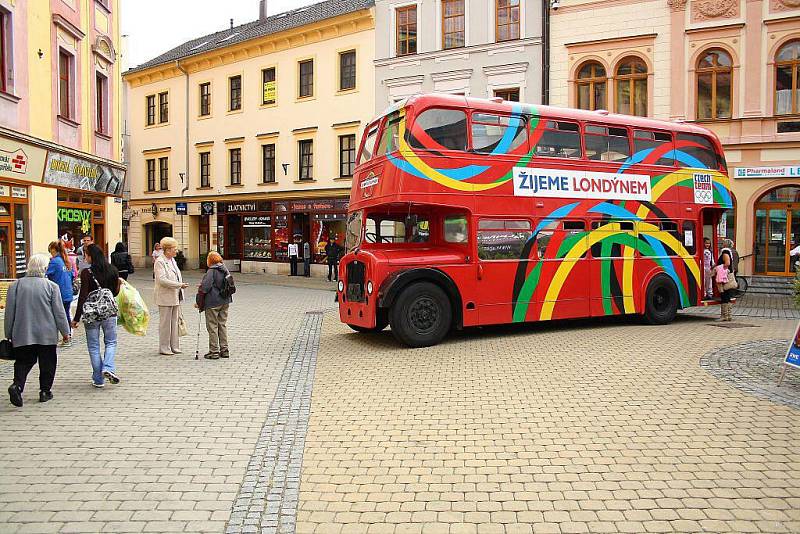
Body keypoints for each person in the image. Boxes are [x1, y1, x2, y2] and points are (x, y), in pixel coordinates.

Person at [6, 254, 71, 407]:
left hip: (23, 333)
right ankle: (44, 391)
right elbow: (59, 312)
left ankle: (17, 386)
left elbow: (9, 312)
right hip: (46, 334)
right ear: (44, 268)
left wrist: (8, 333)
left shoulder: (15, 286)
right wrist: (65, 332)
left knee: (23, 362)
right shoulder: (51, 286)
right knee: (47, 362)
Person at [72, 244, 122, 388]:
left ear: (91, 256)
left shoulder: (87, 273)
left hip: (92, 314)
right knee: (111, 342)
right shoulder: (113, 269)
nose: (85, 257)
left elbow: (82, 296)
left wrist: (76, 318)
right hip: (109, 312)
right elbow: (115, 293)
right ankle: (108, 367)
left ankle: (99, 379)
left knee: (94, 346)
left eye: (86, 255)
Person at [154, 237, 188, 355]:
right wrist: (179, 285)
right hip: (165, 296)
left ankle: (174, 346)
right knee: (165, 323)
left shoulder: (172, 260)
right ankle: (164, 347)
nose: (176, 251)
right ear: (167, 250)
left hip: (175, 295)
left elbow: (177, 275)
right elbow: (162, 280)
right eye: (174, 249)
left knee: (174, 321)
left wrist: (179, 287)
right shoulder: (160, 261)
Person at [195, 252, 232, 360]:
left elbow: (206, 287)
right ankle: (224, 350)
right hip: (225, 300)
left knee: (212, 326)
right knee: (222, 325)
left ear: (210, 260)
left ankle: (214, 351)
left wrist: (200, 289)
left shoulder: (211, 271)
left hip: (213, 301)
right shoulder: (225, 269)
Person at [46, 240, 75, 346]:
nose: (51, 254)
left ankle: (65, 337)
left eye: (50, 251)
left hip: (59, 293)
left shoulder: (55, 261)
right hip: (68, 292)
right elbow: (72, 276)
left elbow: (46, 275)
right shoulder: (66, 260)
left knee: (58, 315)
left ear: (54, 250)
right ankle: (68, 335)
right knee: (65, 314)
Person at [715, 248, 735, 321]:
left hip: (723, 278)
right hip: (728, 278)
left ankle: (724, 316)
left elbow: (727, 264)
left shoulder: (725, 253)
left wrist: (718, 268)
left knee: (724, 295)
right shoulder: (730, 253)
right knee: (728, 296)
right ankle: (729, 315)